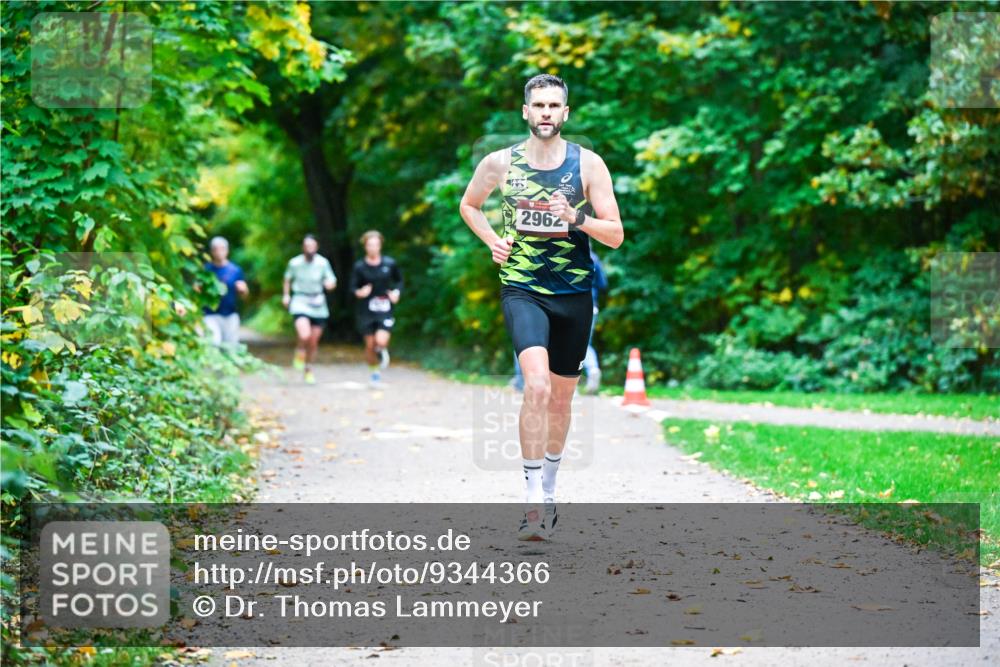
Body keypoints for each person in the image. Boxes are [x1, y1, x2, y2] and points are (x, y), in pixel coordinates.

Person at [459, 74, 624, 540]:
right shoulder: (499, 163)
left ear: (565, 113)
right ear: (525, 112)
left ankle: (549, 488)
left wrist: (576, 217)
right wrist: (492, 241)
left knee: (561, 398)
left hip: (574, 293)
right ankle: (532, 502)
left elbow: (615, 234)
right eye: (539, 105)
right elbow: (469, 205)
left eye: (554, 105)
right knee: (536, 387)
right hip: (523, 287)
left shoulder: (588, 164)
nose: (546, 113)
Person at [350, 230, 403, 387]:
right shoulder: (359, 267)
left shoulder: (389, 263)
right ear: (365, 246)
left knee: (380, 340)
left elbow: (399, 281)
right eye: (370, 245)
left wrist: (396, 293)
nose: (373, 248)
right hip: (366, 309)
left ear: (380, 246)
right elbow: (352, 287)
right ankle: (374, 373)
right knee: (370, 345)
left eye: (376, 245)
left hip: (385, 308)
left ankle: (381, 350)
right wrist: (360, 292)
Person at [282, 234, 337, 385]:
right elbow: (287, 279)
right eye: (307, 246)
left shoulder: (323, 263)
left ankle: (308, 369)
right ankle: (300, 349)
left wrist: (330, 285)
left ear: (316, 247)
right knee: (304, 334)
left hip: (318, 302)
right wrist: (286, 295)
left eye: (312, 246)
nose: (309, 249)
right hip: (300, 300)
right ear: (303, 248)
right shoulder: (294, 263)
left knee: (313, 341)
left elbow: (331, 280)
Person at [202, 236, 248, 347]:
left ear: (227, 251)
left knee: (231, 347)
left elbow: (244, 296)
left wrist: (243, 290)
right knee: (213, 343)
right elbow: (198, 293)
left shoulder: (235, 270)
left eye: (222, 249)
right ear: (212, 252)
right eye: (216, 249)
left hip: (230, 314)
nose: (219, 252)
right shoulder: (205, 270)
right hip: (210, 314)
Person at [582, 248, 608, 394]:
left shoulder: (565, 253)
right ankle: (593, 369)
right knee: (585, 342)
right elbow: (603, 284)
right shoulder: (594, 258)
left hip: (570, 303)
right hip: (591, 305)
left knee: (569, 343)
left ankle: (567, 382)